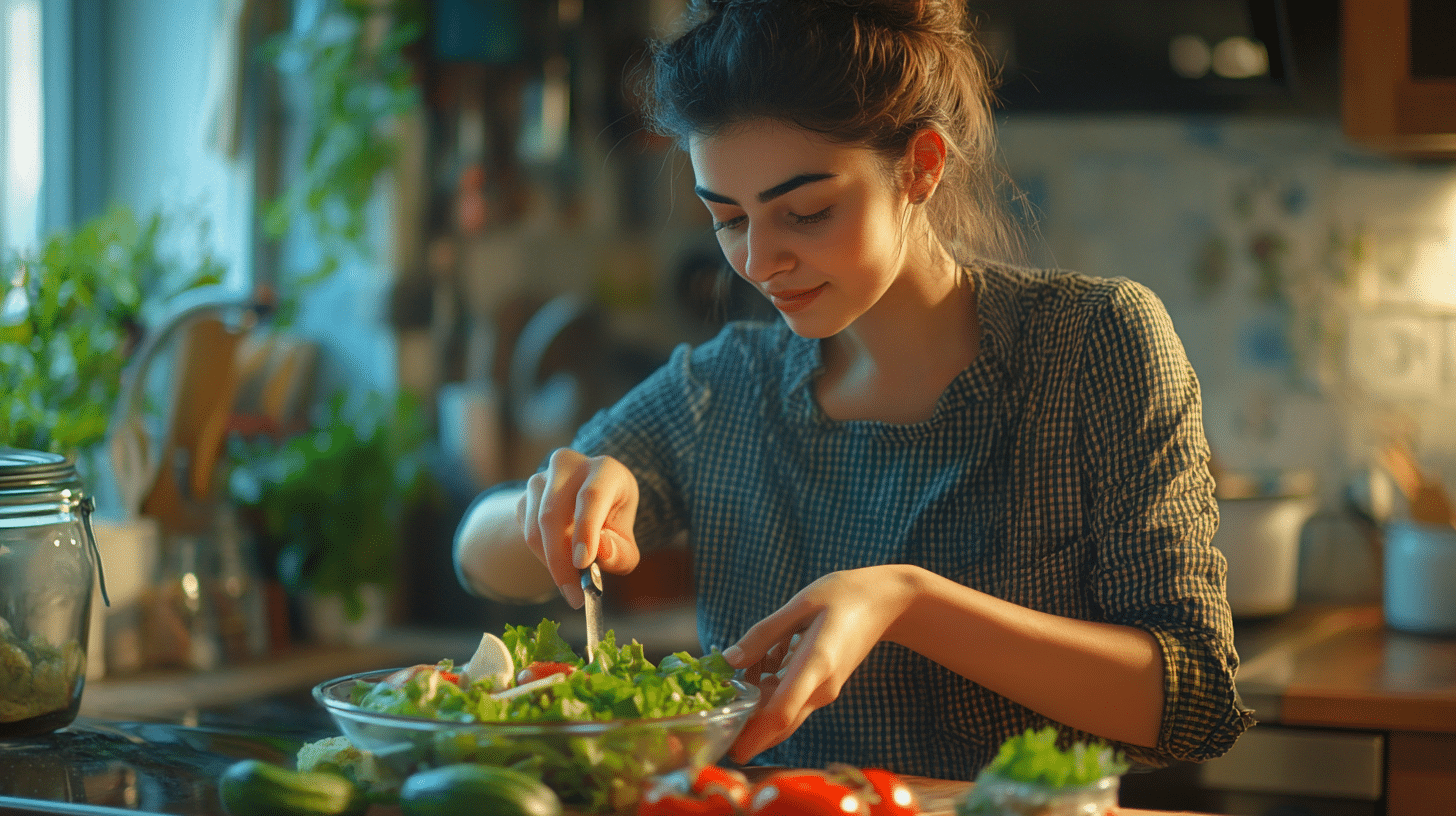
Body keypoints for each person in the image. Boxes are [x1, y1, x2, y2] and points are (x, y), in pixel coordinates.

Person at [454, 0, 1253, 779]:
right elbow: (476, 557)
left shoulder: (1093, 344)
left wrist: (908, 603)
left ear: (922, 167)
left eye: (805, 212)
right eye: (728, 218)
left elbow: (1193, 700)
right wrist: (549, 508)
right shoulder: (723, 388)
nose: (760, 262)